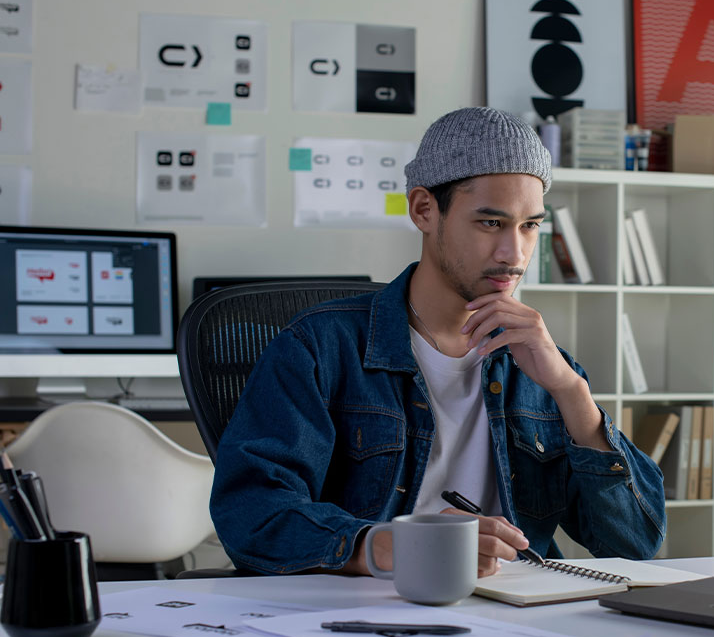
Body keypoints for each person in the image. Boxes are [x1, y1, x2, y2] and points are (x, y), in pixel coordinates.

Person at [210, 107, 666, 577]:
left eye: (530, 225)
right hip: (370, 605)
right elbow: (251, 514)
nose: (514, 254)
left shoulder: (542, 366)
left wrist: (572, 392)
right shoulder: (319, 347)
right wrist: (384, 546)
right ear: (423, 210)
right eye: (491, 223)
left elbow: (635, 543)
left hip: (515, 606)